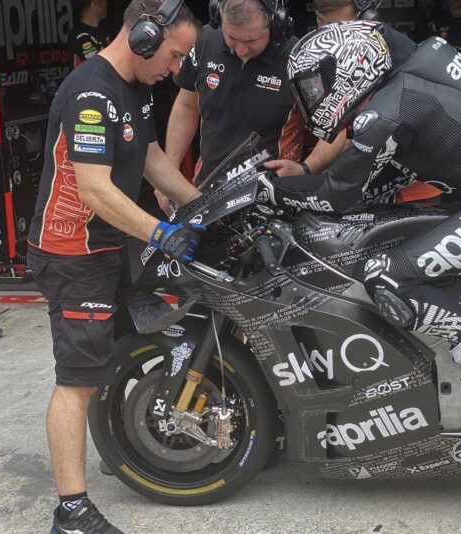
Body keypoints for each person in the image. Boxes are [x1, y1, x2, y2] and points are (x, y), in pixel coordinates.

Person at [258, 21, 461, 454]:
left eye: (314, 86)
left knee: (385, 275)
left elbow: (338, 196)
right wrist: (304, 174)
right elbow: (377, 179)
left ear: (349, 67)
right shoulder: (419, 66)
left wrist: (271, 190)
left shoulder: (385, 112)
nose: (312, 97)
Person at [26, 1, 203, 532]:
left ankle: (115, 442)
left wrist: (202, 208)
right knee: (77, 381)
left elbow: (150, 156)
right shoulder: (90, 93)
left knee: (129, 340)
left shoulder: (135, 89)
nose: (176, 69)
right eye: (174, 56)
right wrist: (162, 232)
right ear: (146, 37)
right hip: (72, 253)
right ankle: (72, 512)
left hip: (110, 246)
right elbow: (95, 189)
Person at [265, 0, 441, 204]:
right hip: (372, 188)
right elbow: (342, 121)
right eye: (331, 28)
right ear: (319, 20)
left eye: (347, 27)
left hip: (414, 190)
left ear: (367, 19)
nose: (342, 35)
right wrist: (305, 169)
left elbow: (350, 127)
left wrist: (308, 171)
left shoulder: (392, 51)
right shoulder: (333, 54)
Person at [154, 0, 304, 213]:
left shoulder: (299, 57)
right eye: (232, 38)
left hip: (271, 199)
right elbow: (187, 106)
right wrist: (168, 175)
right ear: (219, 19)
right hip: (207, 194)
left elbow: (339, 124)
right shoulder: (204, 40)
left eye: (251, 39)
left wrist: (307, 168)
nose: (241, 49)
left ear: (275, 23)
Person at [68, 0, 111, 68]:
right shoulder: (79, 35)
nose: (107, 4)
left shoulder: (104, 31)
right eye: (105, 0)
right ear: (95, 1)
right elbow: (98, 65)